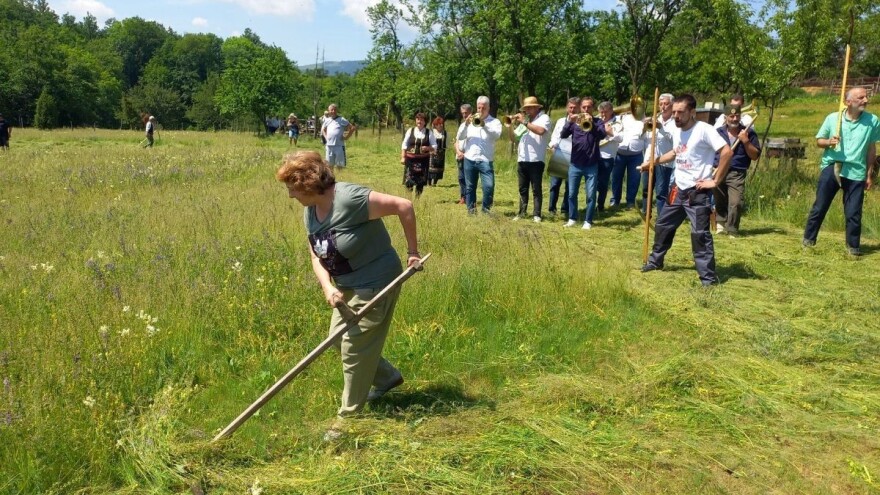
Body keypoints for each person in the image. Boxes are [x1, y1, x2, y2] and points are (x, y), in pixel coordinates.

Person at [276, 150, 421, 439]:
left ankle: (348, 418)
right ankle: (387, 378)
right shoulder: (310, 210)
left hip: (377, 279)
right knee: (337, 340)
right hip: (345, 284)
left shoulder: (349, 199)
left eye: (292, 187)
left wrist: (413, 253)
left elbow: (404, 206)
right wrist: (328, 287)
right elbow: (315, 254)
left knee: (355, 347)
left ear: (307, 182)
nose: (290, 195)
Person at [641, 94, 733, 286]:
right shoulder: (677, 129)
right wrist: (652, 162)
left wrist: (715, 181)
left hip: (697, 192)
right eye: (674, 112)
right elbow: (676, 152)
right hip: (678, 188)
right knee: (663, 226)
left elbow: (726, 152)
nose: (675, 116)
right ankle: (655, 261)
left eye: (680, 112)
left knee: (700, 235)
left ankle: (708, 279)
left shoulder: (704, 130)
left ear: (692, 112)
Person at [803, 87, 879, 256]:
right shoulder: (833, 118)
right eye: (861, 97)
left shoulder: (872, 120)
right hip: (833, 166)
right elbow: (819, 141)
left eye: (866, 97)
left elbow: (871, 150)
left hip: (856, 171)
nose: (866, 100)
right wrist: (830, 141)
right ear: (848, 102)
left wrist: (869, 174)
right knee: (820, 206)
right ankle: (808, 240)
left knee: (853, 212)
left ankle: (853, 248)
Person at [560, 98, 611, 229]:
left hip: (591, 164)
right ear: (580, 108)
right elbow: (563, 135)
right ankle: (572, 218)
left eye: (589, 107)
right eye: (584, 107)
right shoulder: (574, 122)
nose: (586, 109)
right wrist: (569, 122)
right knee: (571, 193)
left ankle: (588, 221)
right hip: (575, 164)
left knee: (591, 195)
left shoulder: (598, 121)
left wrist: (592, 123)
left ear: (593, 108)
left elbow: (602, 135)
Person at [713, 105, 761, 236]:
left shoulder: (749, 133)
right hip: (718, 170)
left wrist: (745, 142)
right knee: (719, 198)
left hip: (737, 172)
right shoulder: (717, 132)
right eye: (731, 116)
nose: (734, 119)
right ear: (726, 117)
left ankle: (732, 229)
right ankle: (720, 225)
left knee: (736, 202)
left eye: (737, 116)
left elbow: (755, 156)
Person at [457, 96, 502, 214]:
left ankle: (486, 211)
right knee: (470, 187)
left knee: (488, 187)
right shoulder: (470, 121)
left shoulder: (495, 122)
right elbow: (460, 137)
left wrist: (484, 125)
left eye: (484, 108)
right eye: (479, 108)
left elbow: (496, 136)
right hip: (469, 159)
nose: (480, 110)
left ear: (489, 108)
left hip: (485, 160)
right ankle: (471, 211)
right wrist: (466, 124)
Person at [512, 96, 552, 222]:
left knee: (536, 188)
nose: (527, 110)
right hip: (522, 159)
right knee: (522, 188)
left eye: (529, 108)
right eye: (525, 108)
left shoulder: (544, 118)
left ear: (536, 107)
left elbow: (540, 131)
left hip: (536, 159)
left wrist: (524, 122)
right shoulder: (527, 121)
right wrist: (509, 125)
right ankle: (522, 212)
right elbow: (514, 139)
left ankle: (537, 214)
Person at [639, 93, 676, 216]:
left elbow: (674, 140)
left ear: (672, 105)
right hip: (649, 159)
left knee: (661, 192)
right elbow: (642, 139)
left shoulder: (676, 122)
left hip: (664, 162)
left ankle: (661, 217)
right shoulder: (655, 118)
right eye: (660, 104)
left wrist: (661, 128)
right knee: (646, 189)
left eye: (666, 104)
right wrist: (644, 128)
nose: (663, 107)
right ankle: (646, 213)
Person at [547, 98, 579, 217]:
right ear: (567, 108)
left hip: (575, 156)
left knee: (569, 185)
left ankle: (565, 209)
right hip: (560, 154)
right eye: (570, 107)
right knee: (555, 184)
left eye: (575, 107)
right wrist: (552, 145)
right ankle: (551, 209)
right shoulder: (561, 121)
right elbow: (554, 136)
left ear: (579, 108)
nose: (572, 109)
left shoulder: (582, 121)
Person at [611, 107, 646, 209]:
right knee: (616, 178)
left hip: (636, 154)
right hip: (620, 152)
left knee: (634, 179)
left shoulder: (644, 119)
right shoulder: (621, 118)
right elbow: (614, 129)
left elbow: (644, 137)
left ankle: (630, 201)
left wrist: (645, 126)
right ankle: (615, 200)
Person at [400, 112, 438, 197]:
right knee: (409, 180)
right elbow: (404, 144)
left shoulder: (429, 132)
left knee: (420, 181)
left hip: (423, 160)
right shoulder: (410, 131)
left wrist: (428, 148)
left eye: (421, 120)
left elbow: (435, 146)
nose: (419, 121)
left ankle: (417, 199)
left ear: (425, 122)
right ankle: (408, 199)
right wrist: (403, 157)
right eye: (417, 119)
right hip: (410, 160)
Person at [597, 101, 622, 213]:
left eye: (605, 112)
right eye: (601, 112)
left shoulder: (618, 123)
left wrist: (611, 133)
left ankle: (600, 205)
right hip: (594, 155)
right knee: (592, 182)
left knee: (603, 183)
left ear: (611, 111)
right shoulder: (597, 120)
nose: (602, 115)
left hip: (607, 156)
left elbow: (621, 138)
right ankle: (591, 204)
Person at [321, 104, 357, 170]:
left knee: (339, 164)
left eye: (335, 109)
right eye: (332, 110)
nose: (333, 111)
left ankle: (340, 177)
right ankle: (330, 178)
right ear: (329, 111)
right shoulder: (327, 120)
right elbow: (323, 129)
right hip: (329, 146)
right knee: (329, 165)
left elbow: (352, 128)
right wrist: (326, 137)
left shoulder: (341, 119)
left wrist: (346, 137)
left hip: (339, 146)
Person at [453, 104, 473, 205]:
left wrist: (466, 153)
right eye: (463, 113)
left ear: (471, 112)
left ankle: (469, 198)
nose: (464, 115)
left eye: (466, 113)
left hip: (469, 156)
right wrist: (458, 152)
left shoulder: (476, 124)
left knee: (469, 178)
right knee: (461, 178)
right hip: (460, 155)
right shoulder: (462, 125)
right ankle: (463, 197)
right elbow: (456, 140)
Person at [428, 117, 447, 186]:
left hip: (441, 153)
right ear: (435, 125)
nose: (441, 125)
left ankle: (435, 182)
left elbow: (446, 143)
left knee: (439, 168)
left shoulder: (444, 133)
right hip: (432, 152)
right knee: (431, 168)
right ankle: (429, 182)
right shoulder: (432, 132)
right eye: (439, 124)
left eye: (442, 124)